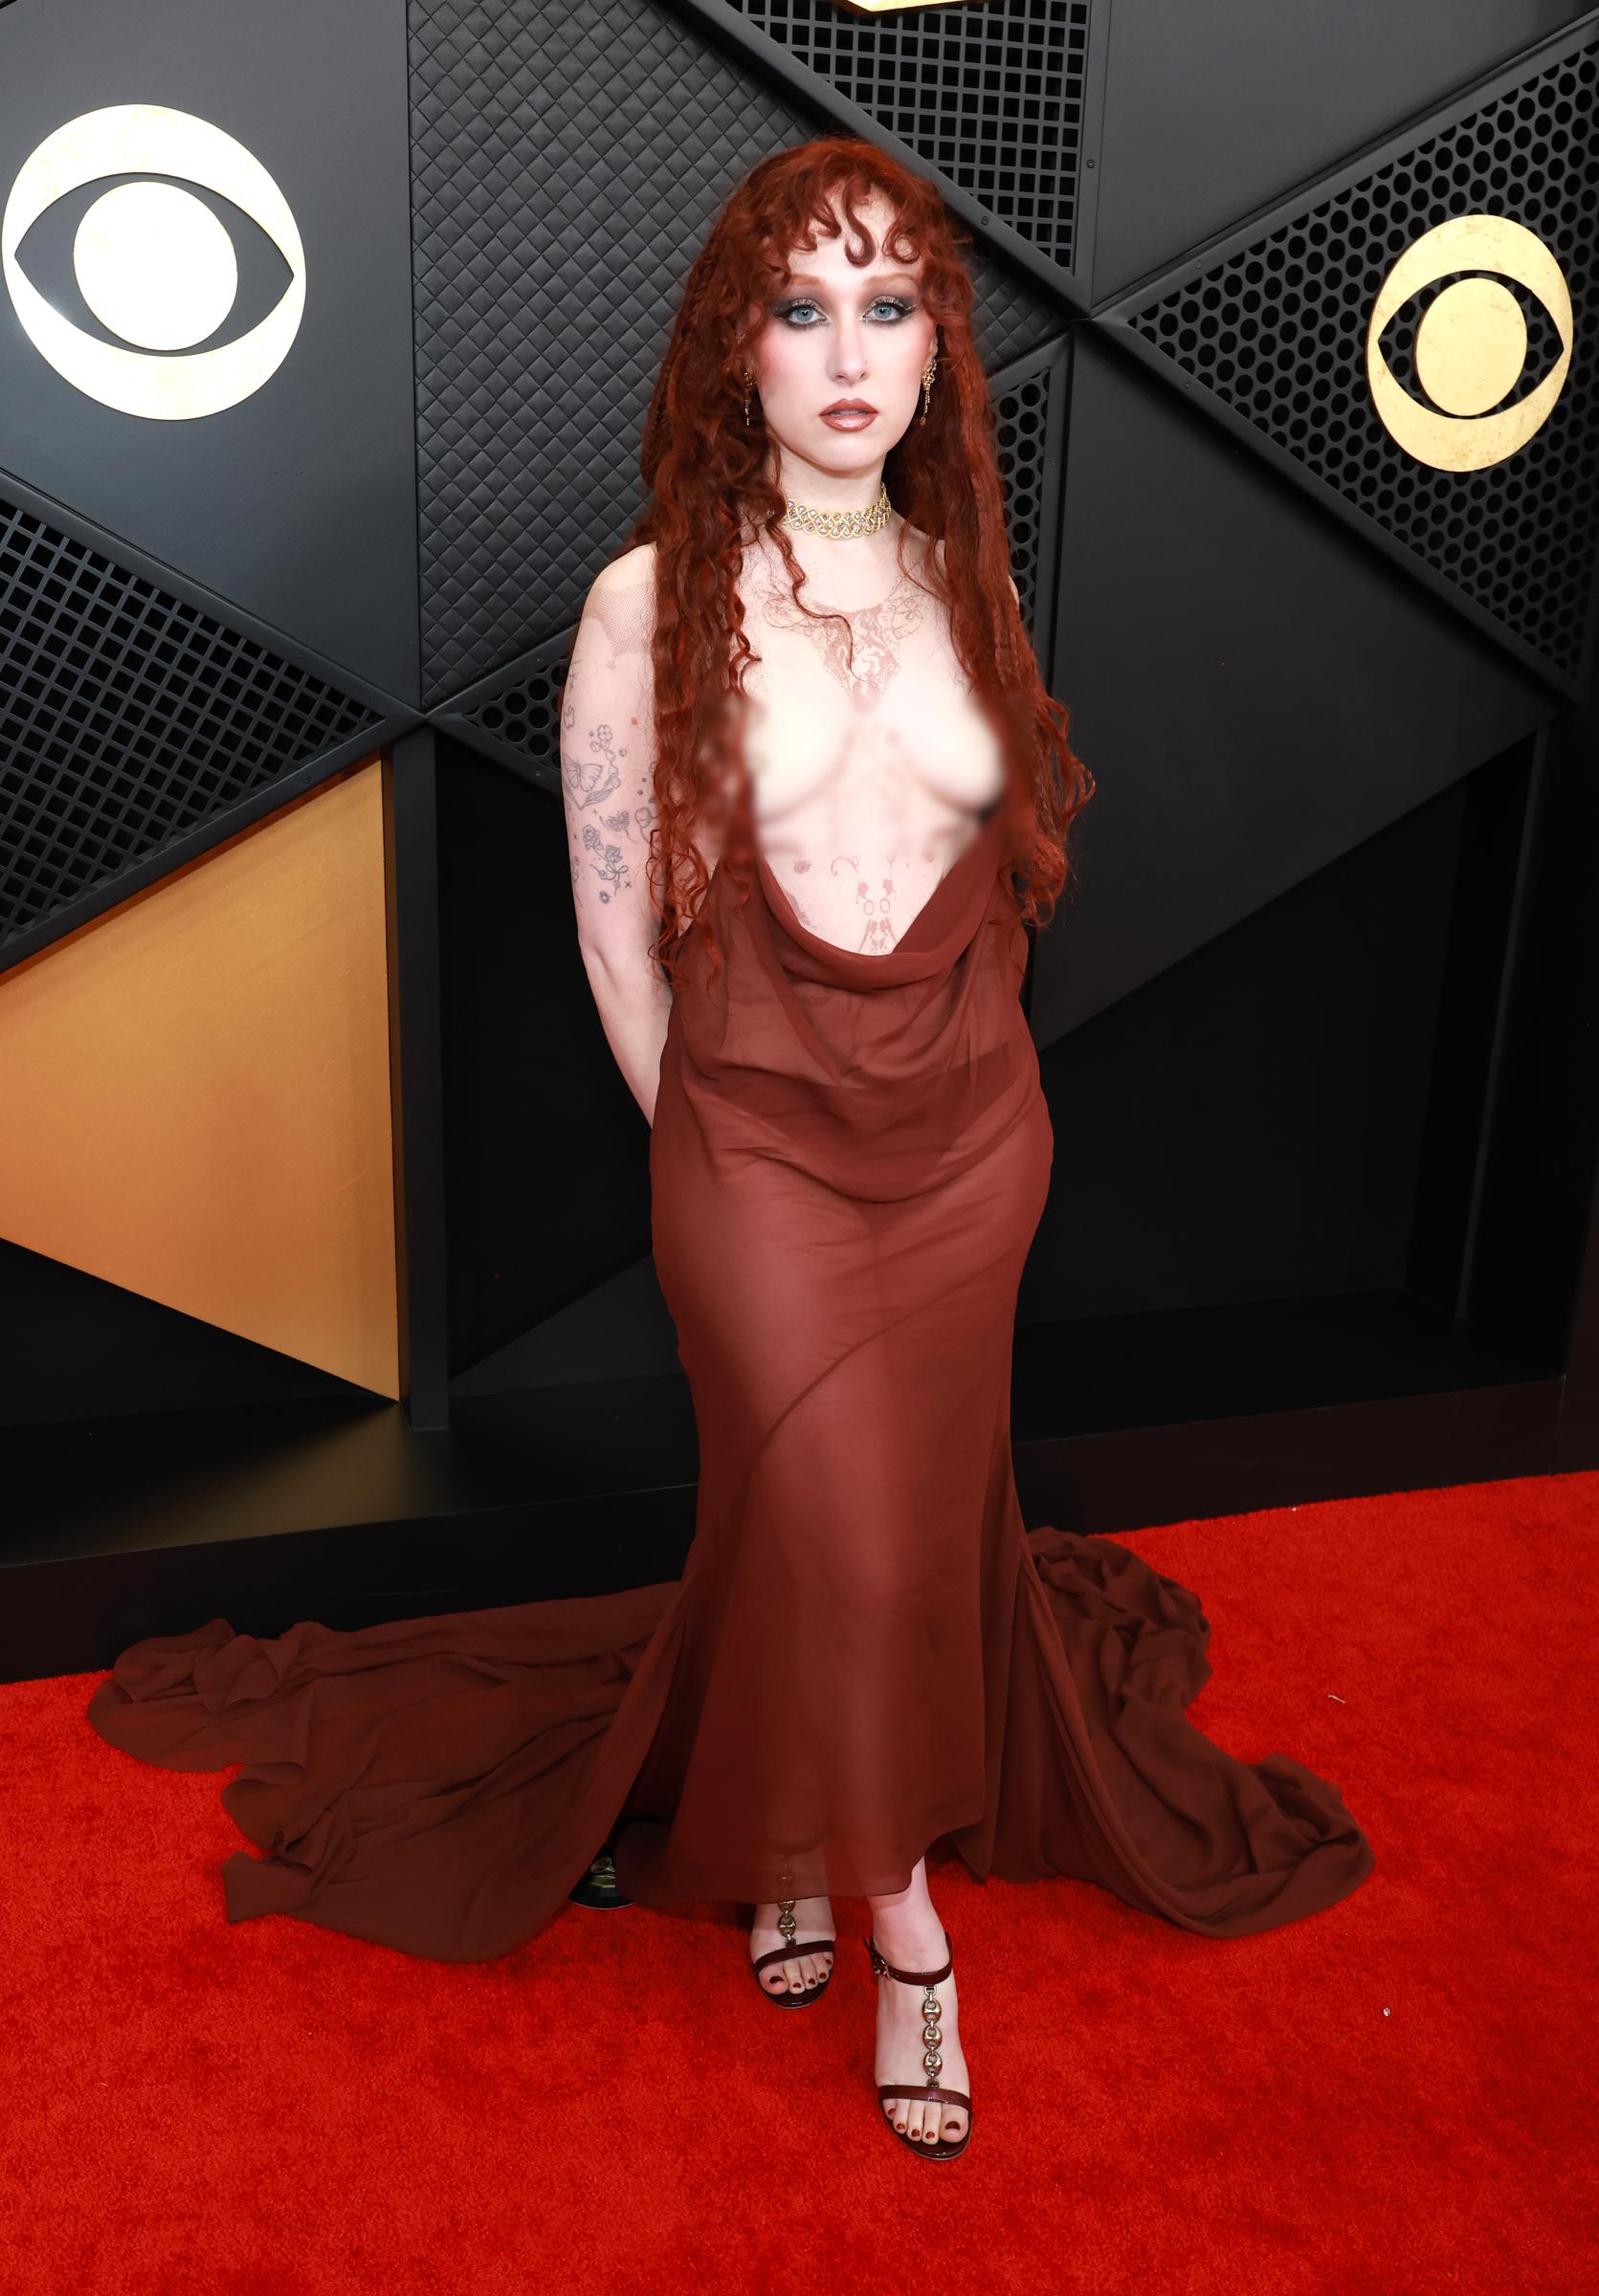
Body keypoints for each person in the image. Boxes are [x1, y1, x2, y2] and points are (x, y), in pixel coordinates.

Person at [87, 138, 1374, 2170]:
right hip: (754, 1149)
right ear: (736, 354)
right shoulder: (648, 605)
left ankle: (783, 1845)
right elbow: (618, 935)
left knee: (866, 1533)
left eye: (888, 308)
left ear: (935, 350)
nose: (848, 355)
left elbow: (998, 878)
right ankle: (905, 1932)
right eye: (801, 309)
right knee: (839, 1532)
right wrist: (716, 1148)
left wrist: (961, 1092)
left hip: (970, 1147)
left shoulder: (967, 582)